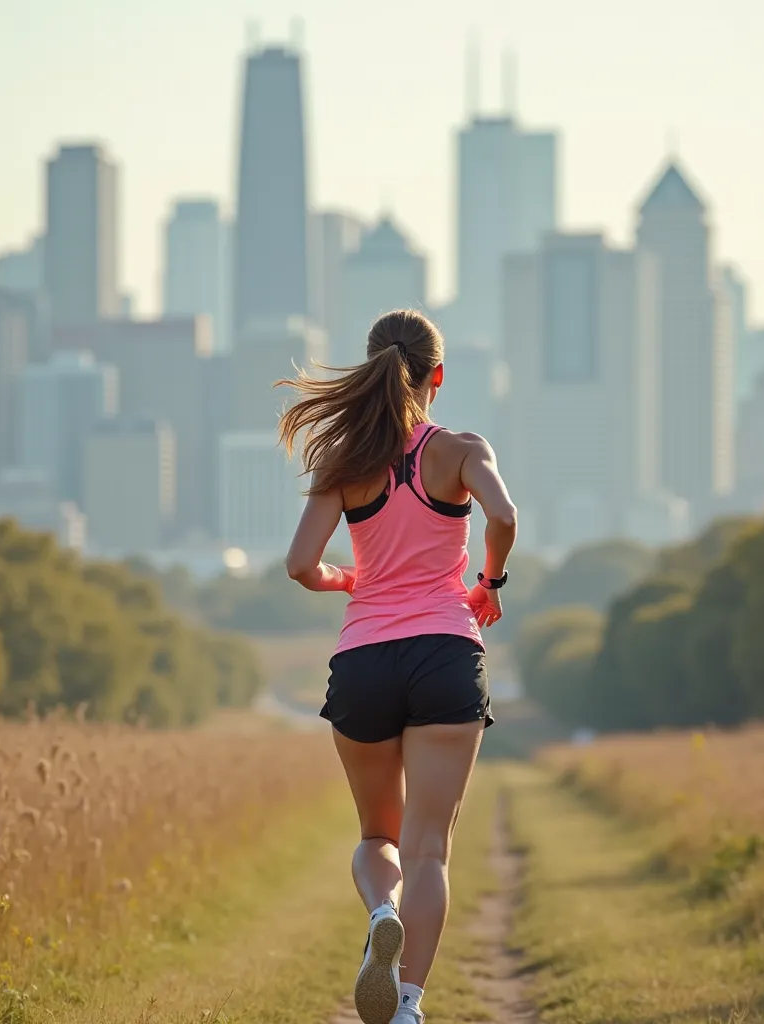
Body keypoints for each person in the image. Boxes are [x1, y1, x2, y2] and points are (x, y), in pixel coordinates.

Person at [276, 309, 517, 1024]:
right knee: (429, 851)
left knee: (377, 839)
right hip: (447, 654)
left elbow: (298, 566)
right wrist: (489, 583)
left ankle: (382, 911)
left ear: (373, 366)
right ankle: (407, 1006)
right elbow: (502, 516)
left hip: (365, 662)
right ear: (436, 376)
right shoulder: (462, 450)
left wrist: (346, 580)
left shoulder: (344, 462)